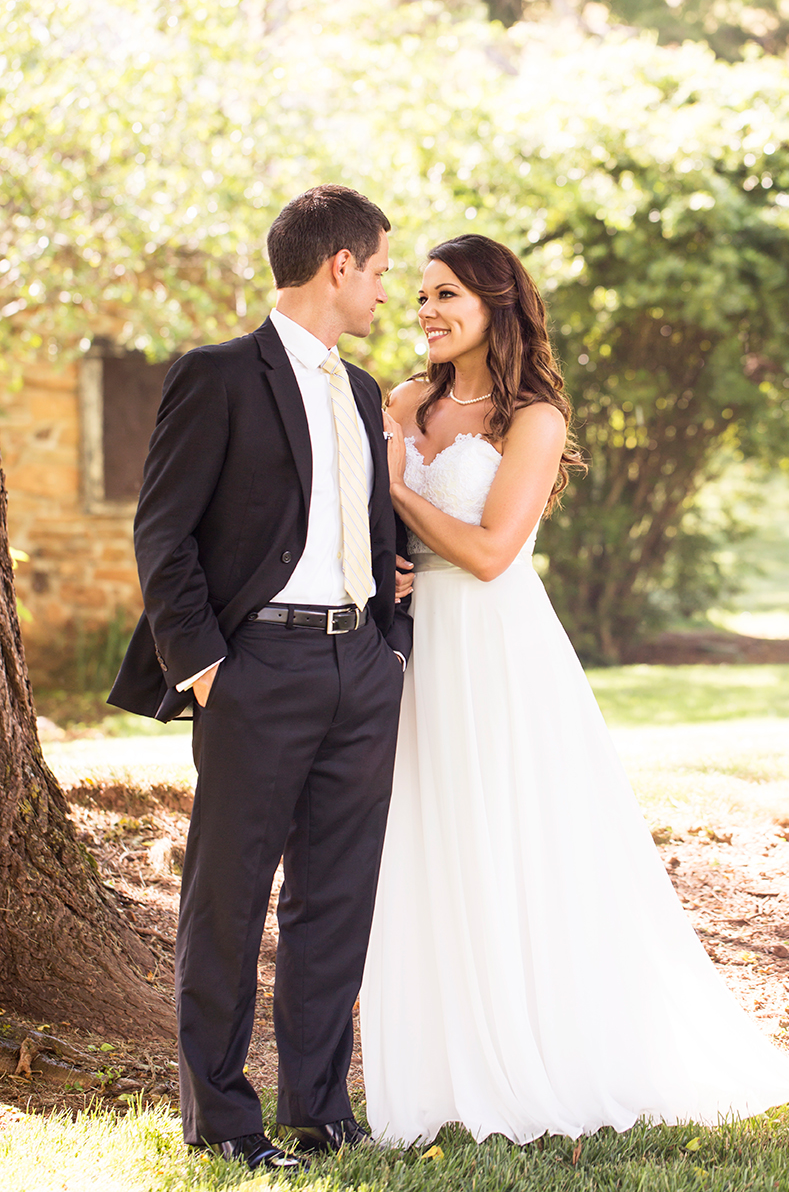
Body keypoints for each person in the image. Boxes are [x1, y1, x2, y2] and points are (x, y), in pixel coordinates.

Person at [359, 233, 789, 1147]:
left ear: (495, 303)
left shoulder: (532, 418)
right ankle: (442, 1063)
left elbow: (491, 549)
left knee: (514, 839)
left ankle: (540, 1047)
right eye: (419, 294)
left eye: (446, 294)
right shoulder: (399, 400)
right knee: (428, 842)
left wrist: (398, 491)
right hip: (416, 650)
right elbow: (375, 524)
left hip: (500, 653)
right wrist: (389, 558)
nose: (425, 310)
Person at [109, 185, 413, 1173]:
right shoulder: (218, 375)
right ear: (338, 266)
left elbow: (370, 535)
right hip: (256, 671)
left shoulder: (362, 393)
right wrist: (203, 668)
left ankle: (319, 1106)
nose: (381, 288)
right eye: (376, 269)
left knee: (335, 898)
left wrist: (389, 642)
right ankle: (226, 1118)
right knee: (229, 899)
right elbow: (164, 532)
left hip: (359, 667)